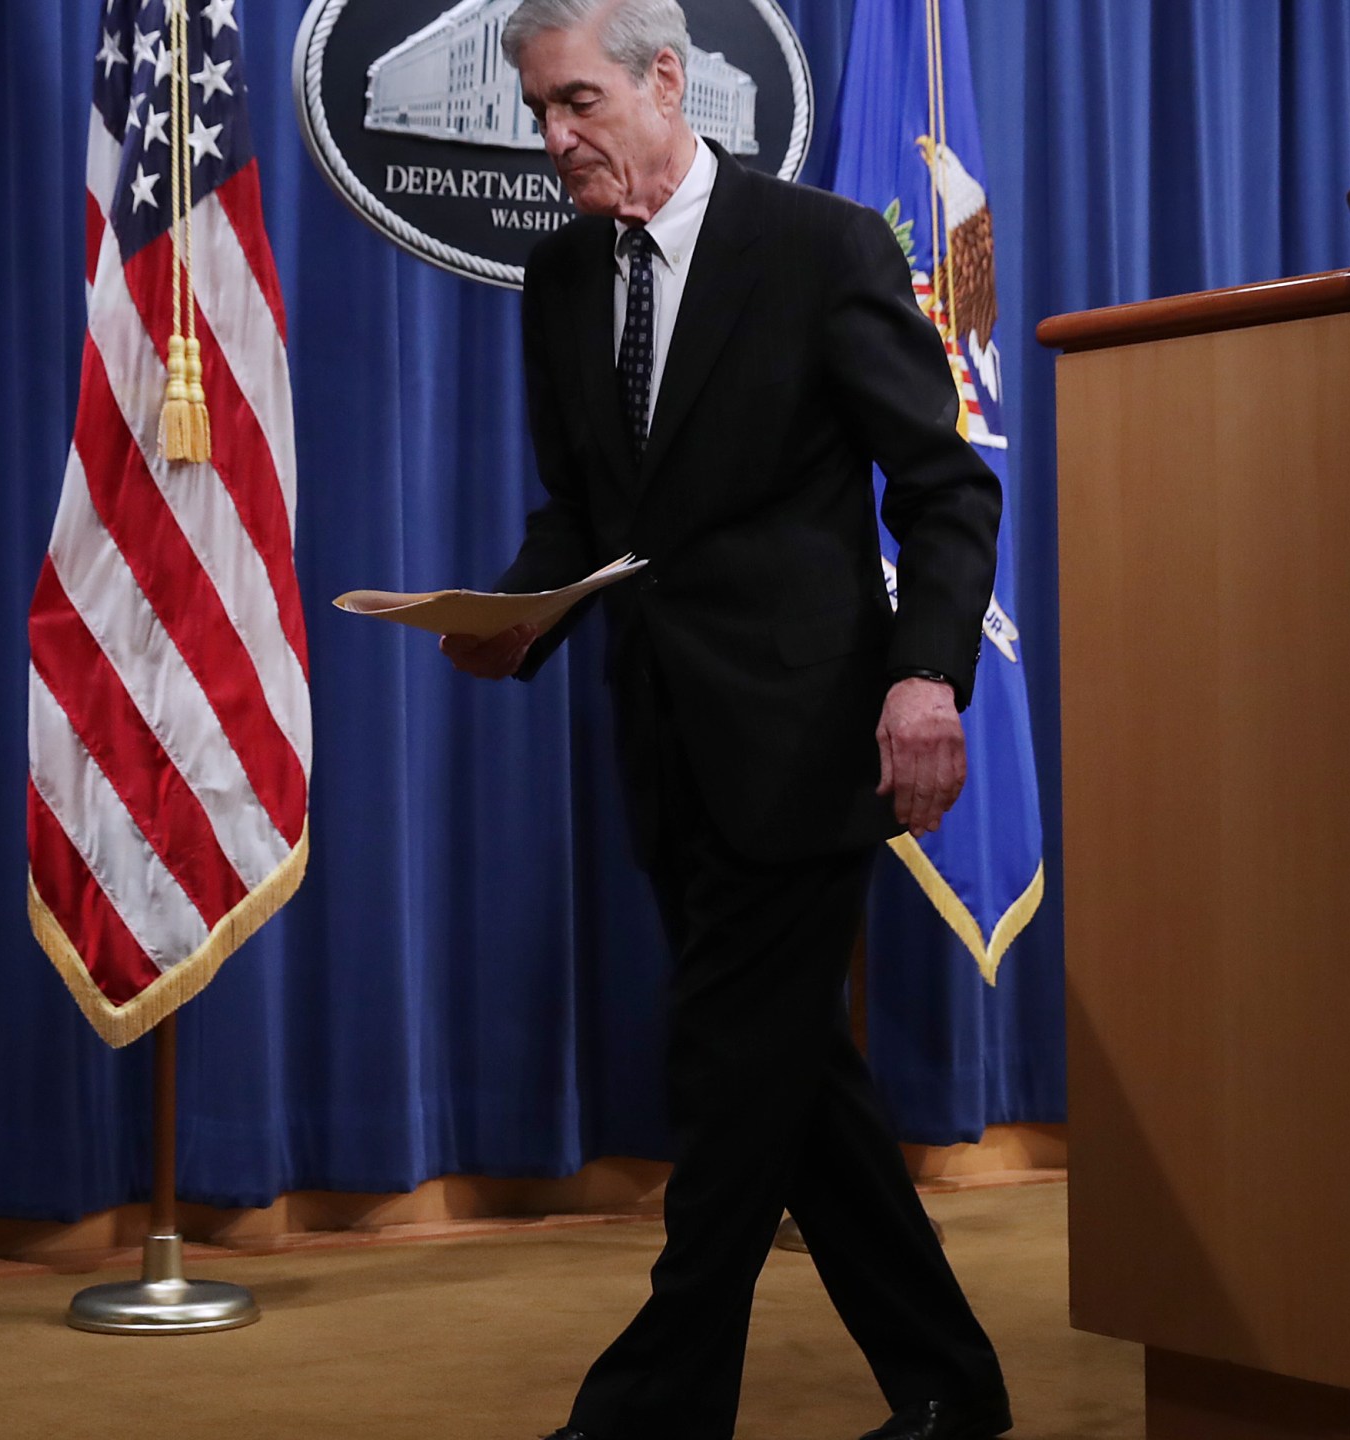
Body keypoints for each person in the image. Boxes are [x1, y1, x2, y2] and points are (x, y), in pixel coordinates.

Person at [436, 3, 1011, 1438]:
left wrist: (927, 676)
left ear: (668, 80)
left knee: (727, 1082)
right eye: (537, 111)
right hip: (663, 746)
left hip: (814, 744)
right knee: (793, 1082)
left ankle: (648, 1410)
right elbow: (581, 509)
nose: (554, 137)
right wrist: (508, 613)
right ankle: (952, 1395)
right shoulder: (560, 279)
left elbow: (946, 490)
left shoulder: (822, 249)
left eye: (575, 102)